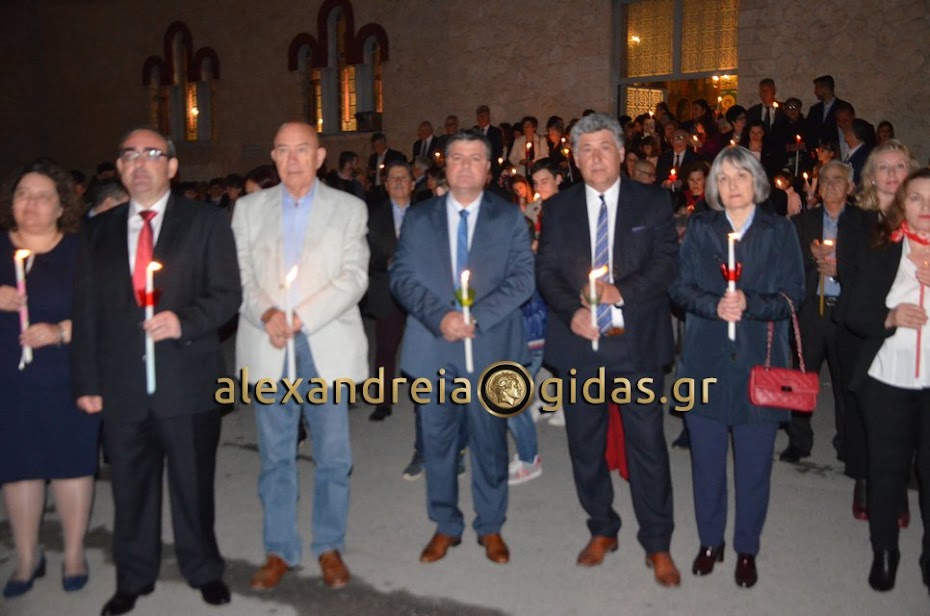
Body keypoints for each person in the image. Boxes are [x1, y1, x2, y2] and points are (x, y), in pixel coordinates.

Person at [71, 128, 241, 614]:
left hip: (186, 380)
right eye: (129, 155)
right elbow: (85, 311)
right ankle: (133, 576)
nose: (140, 162)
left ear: (172, 166)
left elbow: (227, 294)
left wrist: (183, 321)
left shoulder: (205, 221)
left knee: (192, 485)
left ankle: (203, 569)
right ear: (119, 168)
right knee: (130, 490)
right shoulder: (98, 230)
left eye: (151, 154)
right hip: (121, 385)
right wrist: (87, 381)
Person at [536, 113, 681, 586]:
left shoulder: (652, 201)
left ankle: (657, 541)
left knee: (648, 447)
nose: (596, 157)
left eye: (604, 148)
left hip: (634, 344)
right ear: (575, 160)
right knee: (585, 447)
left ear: (621, 153)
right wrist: (570, 313)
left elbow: (667, 263)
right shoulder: (558, 209)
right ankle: (602, 527)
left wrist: (622, 292)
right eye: (586, 150)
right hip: (581, 346)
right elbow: (547, 272)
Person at [232, 121, 368, 590]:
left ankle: (329, 545)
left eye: (302, 150)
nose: (293, 160)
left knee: (333, 454)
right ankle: (279, 549)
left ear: (320, 156)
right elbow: (239, 274)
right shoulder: (247, 210)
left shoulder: (348, 208)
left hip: (323, 342)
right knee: (275, 456)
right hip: (268, 342)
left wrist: (301, 318)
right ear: (273, 157)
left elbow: (354, 276)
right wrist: (267, 313)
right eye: (284, 150)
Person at [389, 130, 535, 565]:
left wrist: (477, 318)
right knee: (438, 445)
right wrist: (441, 317)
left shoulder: (508, 217)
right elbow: (401, 278)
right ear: (445, 166)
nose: (466, 166)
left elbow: (522, 280)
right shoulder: (420, 218)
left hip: (491, 346)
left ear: (488, 169)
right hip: (434, 346)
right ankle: (445, 525)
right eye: (457, 157)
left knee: (491, 443)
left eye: (475, 158)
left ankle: (490, 526)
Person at [668, 146, 805, 589]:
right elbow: (679, 289)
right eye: (723, 179)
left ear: (756, 181)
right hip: (704, 361)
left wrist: (751, 303)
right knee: (706, 464)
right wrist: (713, 305)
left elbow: (793, 295)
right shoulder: (701, 228)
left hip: (758, 364)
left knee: (753, 466)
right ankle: (711, 542)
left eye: (740, 177)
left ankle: (747, 547)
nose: (731, 186)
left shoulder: (778, 230)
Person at [0, 160, 96, 599]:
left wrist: (59, 331)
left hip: (65, 376)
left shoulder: (80, 251)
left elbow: (102, 315)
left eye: (42, 196)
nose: (31, 203)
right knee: (18, 470)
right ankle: (26, 556)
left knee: (70, 467)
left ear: (61, 206)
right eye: (23, 194)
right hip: (9, 381)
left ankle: (74, 553)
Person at [844, 168, 930, 593]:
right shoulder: (883, 247)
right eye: (916, 198)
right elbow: (853, 312)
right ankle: (884, 550)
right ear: (902, 204)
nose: (925, 208)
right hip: (887, 380)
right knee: (886, 471)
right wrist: (890, 317)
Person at [837, 140, 919, 524]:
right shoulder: (856, 220)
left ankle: (896, 487)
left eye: (899, 166)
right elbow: (850, 276)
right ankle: (864, 479)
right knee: (862, 412)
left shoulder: (920, 219)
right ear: (871, 176)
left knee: (902, 414)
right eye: (883, 167)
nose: (891, 174)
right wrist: (879, 315)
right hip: (863, 325)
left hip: (910, 327)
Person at [780, 161, 856, 464]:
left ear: (850, 187)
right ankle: (799, 440)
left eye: (838, 180)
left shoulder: (862, 223)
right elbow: (788, 264)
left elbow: (869, 265)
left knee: (845, 382)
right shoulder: (803, 222)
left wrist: (841, 268)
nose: (831, 185)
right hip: (812, 309)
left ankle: (847, 442)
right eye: (825, 180)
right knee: (802, 376)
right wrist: (810, 256)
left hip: (845, 310)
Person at [364, 160, 412, 421]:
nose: (398, 182)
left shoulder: (425, 212)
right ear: (386, 184)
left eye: (403, 177)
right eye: (393, 178)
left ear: (412, 183)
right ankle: (383, 400)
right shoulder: (373, 216)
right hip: (387, 289)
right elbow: (364, 254)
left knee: (427, 346)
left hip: (421, 291)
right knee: (386, 348)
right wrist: (386, 262)